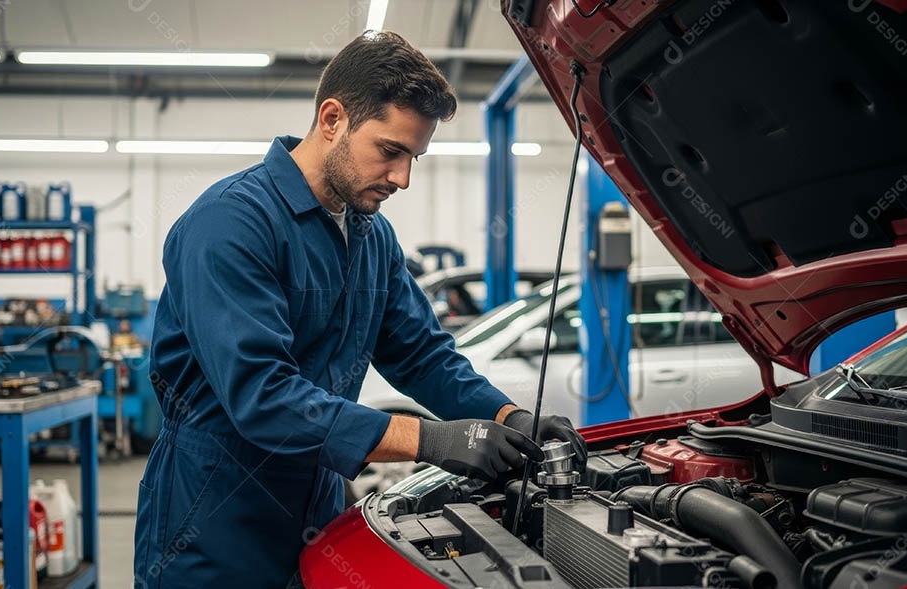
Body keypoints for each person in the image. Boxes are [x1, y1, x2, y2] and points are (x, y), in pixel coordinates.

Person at [133, 31, 586, 588]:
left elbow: (422, 356)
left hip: (319, 502)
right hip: (215, 513)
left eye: (413, 157)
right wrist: (435, 440)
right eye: (391, 151)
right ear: (332, 120)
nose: (403, 178)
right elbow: (263, 398)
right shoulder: (230, 225)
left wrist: (507, 416)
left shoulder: (370, 237)